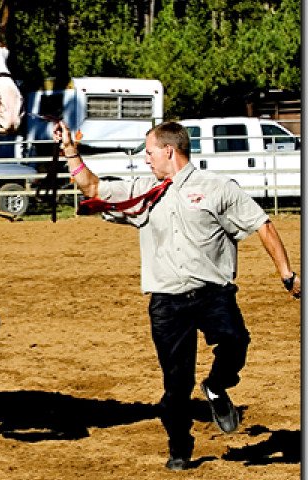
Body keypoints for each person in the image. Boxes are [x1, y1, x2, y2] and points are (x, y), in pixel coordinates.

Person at [53, 120, 301, 471]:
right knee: (175, 383)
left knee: (234, 342)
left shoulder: (217, 188)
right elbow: (91, 186)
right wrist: (68, 149)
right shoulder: (143, 190)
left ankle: (216, 385)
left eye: (149, 152)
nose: (145, 159)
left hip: (213, 294)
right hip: (167, 302)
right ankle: (180, 447)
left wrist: (286, 274)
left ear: (169, 150)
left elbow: (262, 224)